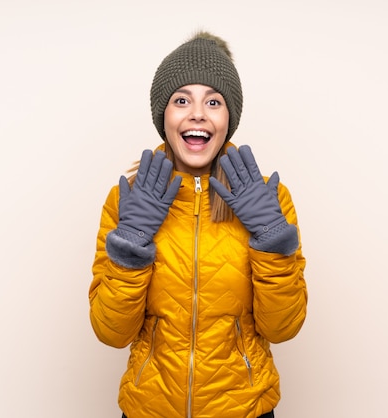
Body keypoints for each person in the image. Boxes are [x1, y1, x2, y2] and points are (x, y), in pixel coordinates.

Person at [89, 31, 307, 418]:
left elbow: (282, 329)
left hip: (245, 408)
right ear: (164, 115)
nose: (197, 113)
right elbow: (111, 333)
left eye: (213, 101)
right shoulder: (127, 200)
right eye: (182, 99)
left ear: (229, 118)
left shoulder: (270, 201)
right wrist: (132, 246)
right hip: (149, 409)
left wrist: (272, 243)